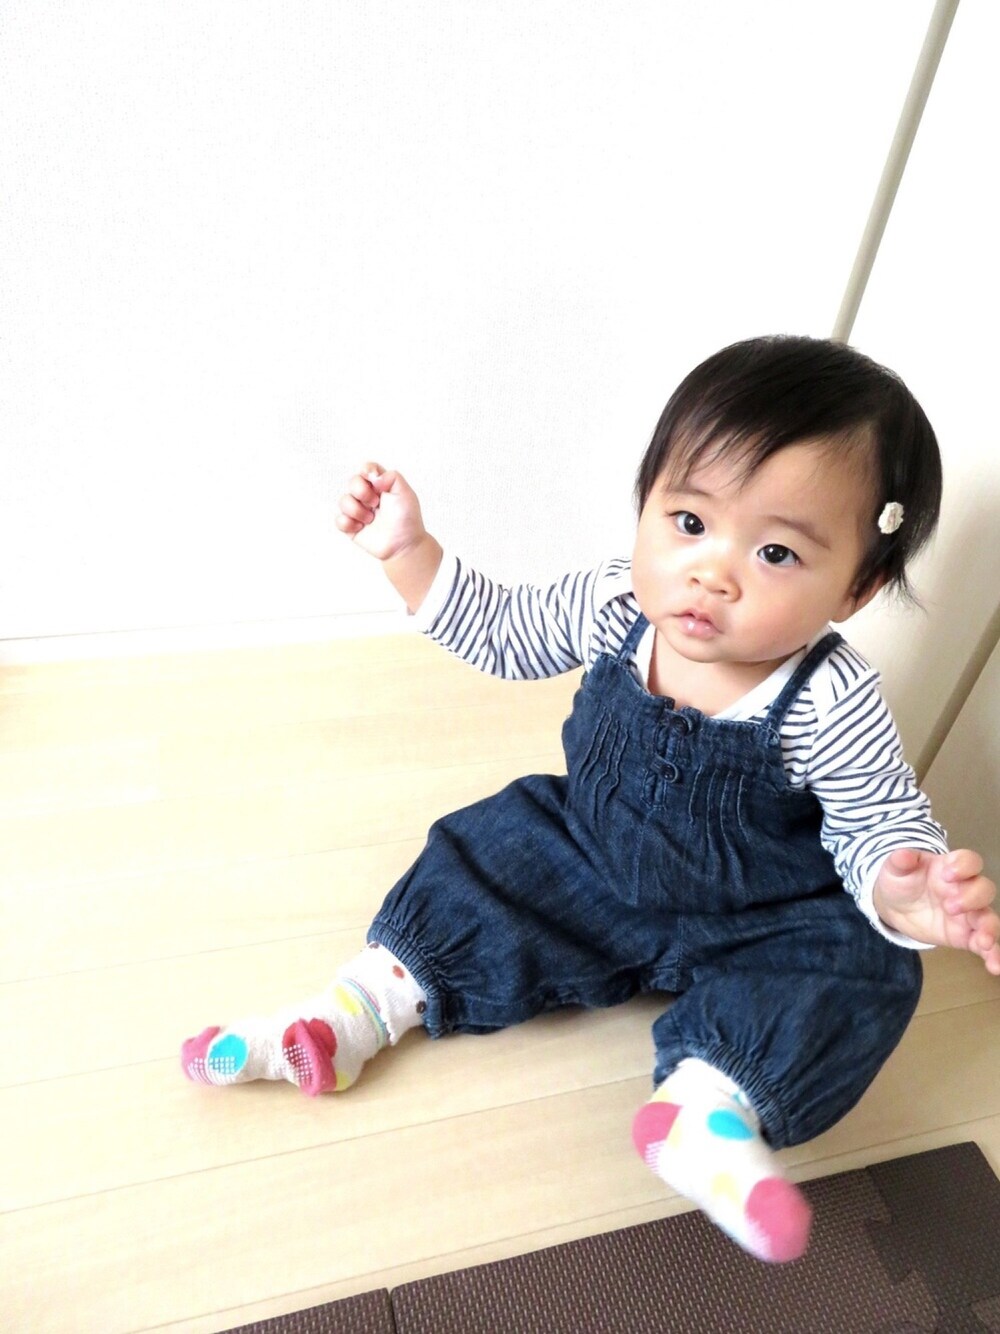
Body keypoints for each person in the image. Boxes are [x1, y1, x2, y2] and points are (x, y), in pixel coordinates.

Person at [182, 335, 999, 1265]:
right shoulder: (614, 602)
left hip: (761, 913)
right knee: (492, 851)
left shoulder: (829, 696)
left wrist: (904, 887)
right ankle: (352, 1014)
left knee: (867, 964)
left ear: (857, 587)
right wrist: (410, 553)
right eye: (689, 522)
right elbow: (505, 632)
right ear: (646, 503)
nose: (713, 573)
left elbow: (876, 817)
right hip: (592, 858)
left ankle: (707, 1111)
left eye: (775, 552)